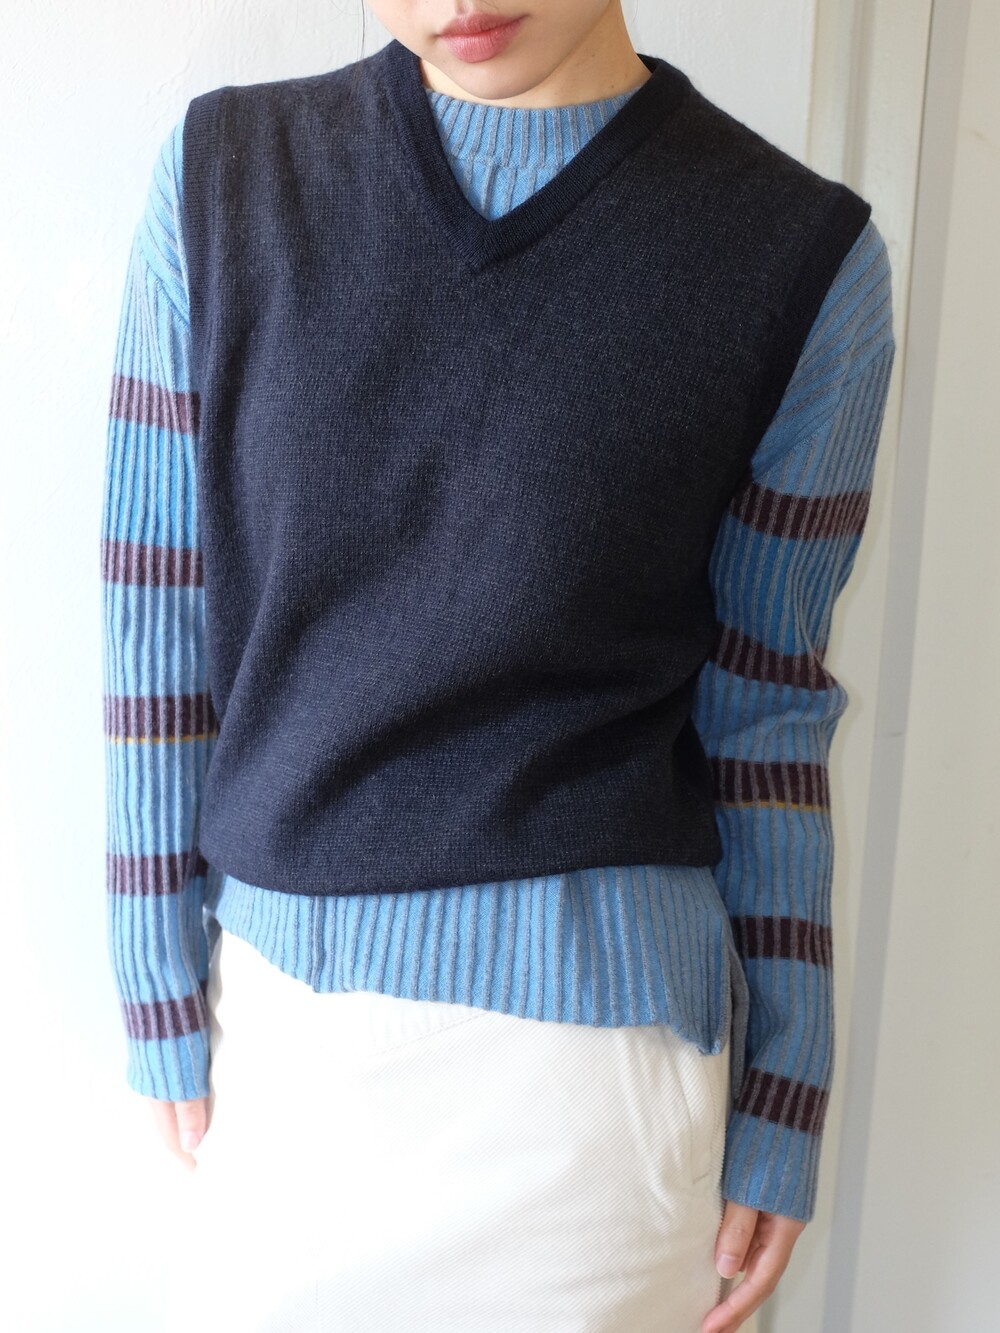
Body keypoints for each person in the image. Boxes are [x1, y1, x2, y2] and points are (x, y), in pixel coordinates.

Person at [99, 3, 895, 1330]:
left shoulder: (800, 258)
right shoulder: (224, 181)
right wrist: (151, 968)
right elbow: (153, 614)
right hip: (285, 1065)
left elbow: (765, 705)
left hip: (598, 1111)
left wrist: (788, 1087)